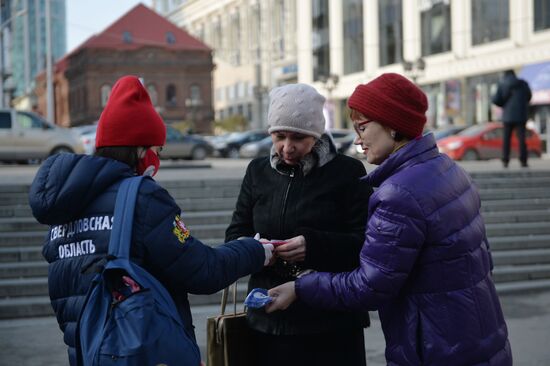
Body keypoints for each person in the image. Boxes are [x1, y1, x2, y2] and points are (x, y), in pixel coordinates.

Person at [266, 73, 512, 366]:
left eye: (363, 127)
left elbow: (370, 286)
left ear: (393, 126)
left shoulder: (398, 194)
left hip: (437, 347)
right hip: (478, 335)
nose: (358, 139)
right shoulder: (448, 169)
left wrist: (301, 287)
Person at [28, 76, 273, 366]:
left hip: (88, 354)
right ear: (141, 151)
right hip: (140, 353)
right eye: (157, 150)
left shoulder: (63, 208)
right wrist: (255, 251)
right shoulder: (142, 198)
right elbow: (202, 270)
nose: (158, 159)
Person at [225, 83, 373, 366]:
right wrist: (258, 251)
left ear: (316, 135)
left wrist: (313, 245)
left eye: (299, 137)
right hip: (267, 323)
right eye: (279, 136)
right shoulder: (257, 171)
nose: (287, 147)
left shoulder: (347, 172)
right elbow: (235, 233)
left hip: (331, 327)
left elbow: (365, 243)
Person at [492, 69, 532, 168]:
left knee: (506, 139)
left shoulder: (502, 84)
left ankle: (505, 160)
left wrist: (503, 103)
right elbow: (529, 97)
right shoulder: (523, 83)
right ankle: (523, 161)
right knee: (522, 139)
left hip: (508, 116)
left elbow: (496, 100)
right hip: (521, 115)